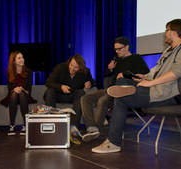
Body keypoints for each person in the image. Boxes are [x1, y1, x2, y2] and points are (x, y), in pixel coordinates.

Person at [92, 19, 181, 153]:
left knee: (121, 98)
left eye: (167, 30)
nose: (165, 33)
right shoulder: (168, 50)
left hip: (165, 94)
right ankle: (129, 89)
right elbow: (155, 71)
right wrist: (144, 77)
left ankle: (113, 142)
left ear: (174, 32)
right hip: (153, 88)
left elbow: (175, 73)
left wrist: (150, 83)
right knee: (122, 82)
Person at [81, 37, 149, 142]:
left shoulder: (136, 58)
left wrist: (125, 75)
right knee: (85, 98)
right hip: (110, 89)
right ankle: (91, 128)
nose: (117, 51)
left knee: (102, 101)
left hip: (123, 91)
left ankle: (97, 130)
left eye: (119, 49)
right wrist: (110, 69)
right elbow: (108, 76)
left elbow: (144, 75)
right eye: (115, 49)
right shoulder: (117, 60)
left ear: (127, 47)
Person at [44, 54, 96, 142]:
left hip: (73, 96)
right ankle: (51, 122)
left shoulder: (85, 71)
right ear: (69, 62)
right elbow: (48, 82)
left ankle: (73, 126)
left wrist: (89, 83)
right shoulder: (60, 68)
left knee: (80, 92)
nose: (72, 69)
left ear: (80, 68)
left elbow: (93, 82)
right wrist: (61, 87)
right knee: (50, 91)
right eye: (71, 65)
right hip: (58, 95)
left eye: (75, 67)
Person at [0, 51, 35, 136]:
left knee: (22, 94)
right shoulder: (10, 72)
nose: (22, 59)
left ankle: (25, 125)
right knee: (15, 94)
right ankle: (12, 125)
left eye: (22, 57)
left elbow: (29, 91)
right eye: (19, 58)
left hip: (25, 96)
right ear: (14, 61)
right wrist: (15, 89)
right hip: (13, 97)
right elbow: (10, 89)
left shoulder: (29, 72)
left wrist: (22, 89)